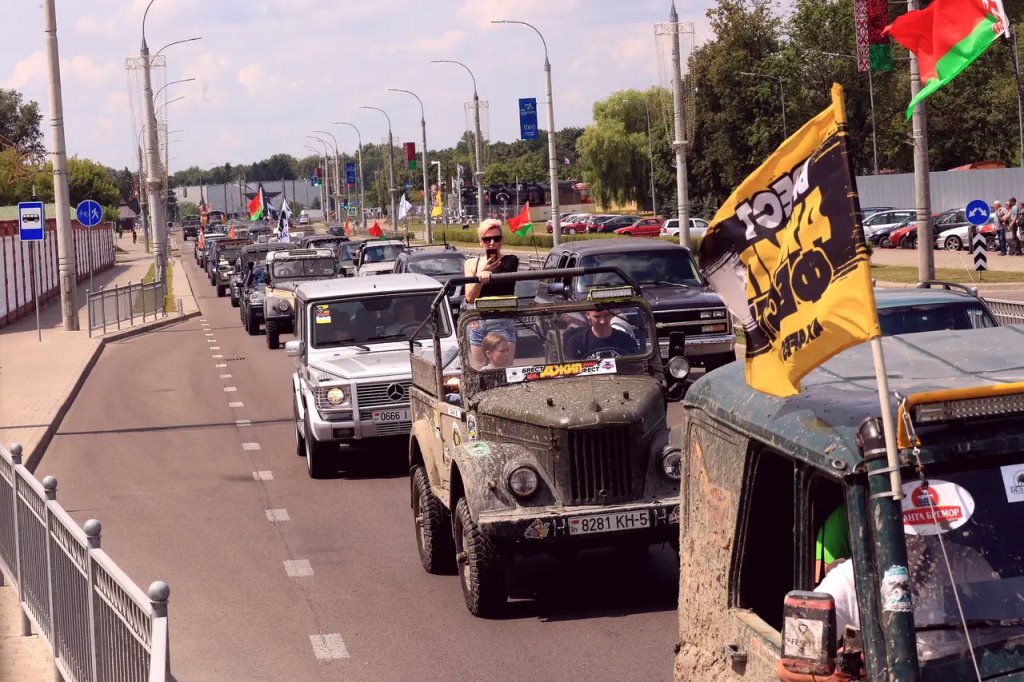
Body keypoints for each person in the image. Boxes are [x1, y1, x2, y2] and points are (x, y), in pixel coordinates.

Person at [465, 219, 519, 367]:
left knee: (503, 370)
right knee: (479, 369)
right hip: (478, 321)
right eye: (487, 239)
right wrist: (480, 276)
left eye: (497, 238)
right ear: (480, 242)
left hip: (501, 320)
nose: (492, 243)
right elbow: (470, 297)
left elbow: (504, 285)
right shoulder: (471, 263)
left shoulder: (510, 261)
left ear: (502, 240)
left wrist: (488, 273)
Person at [564, 309, 640, 360]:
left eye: (606, 315)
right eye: (597, 317)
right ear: (588, 315)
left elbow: (636, 367)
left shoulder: (626, 340)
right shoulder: (576, 342)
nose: (602, 321)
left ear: (612, 314)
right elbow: (571, 372)